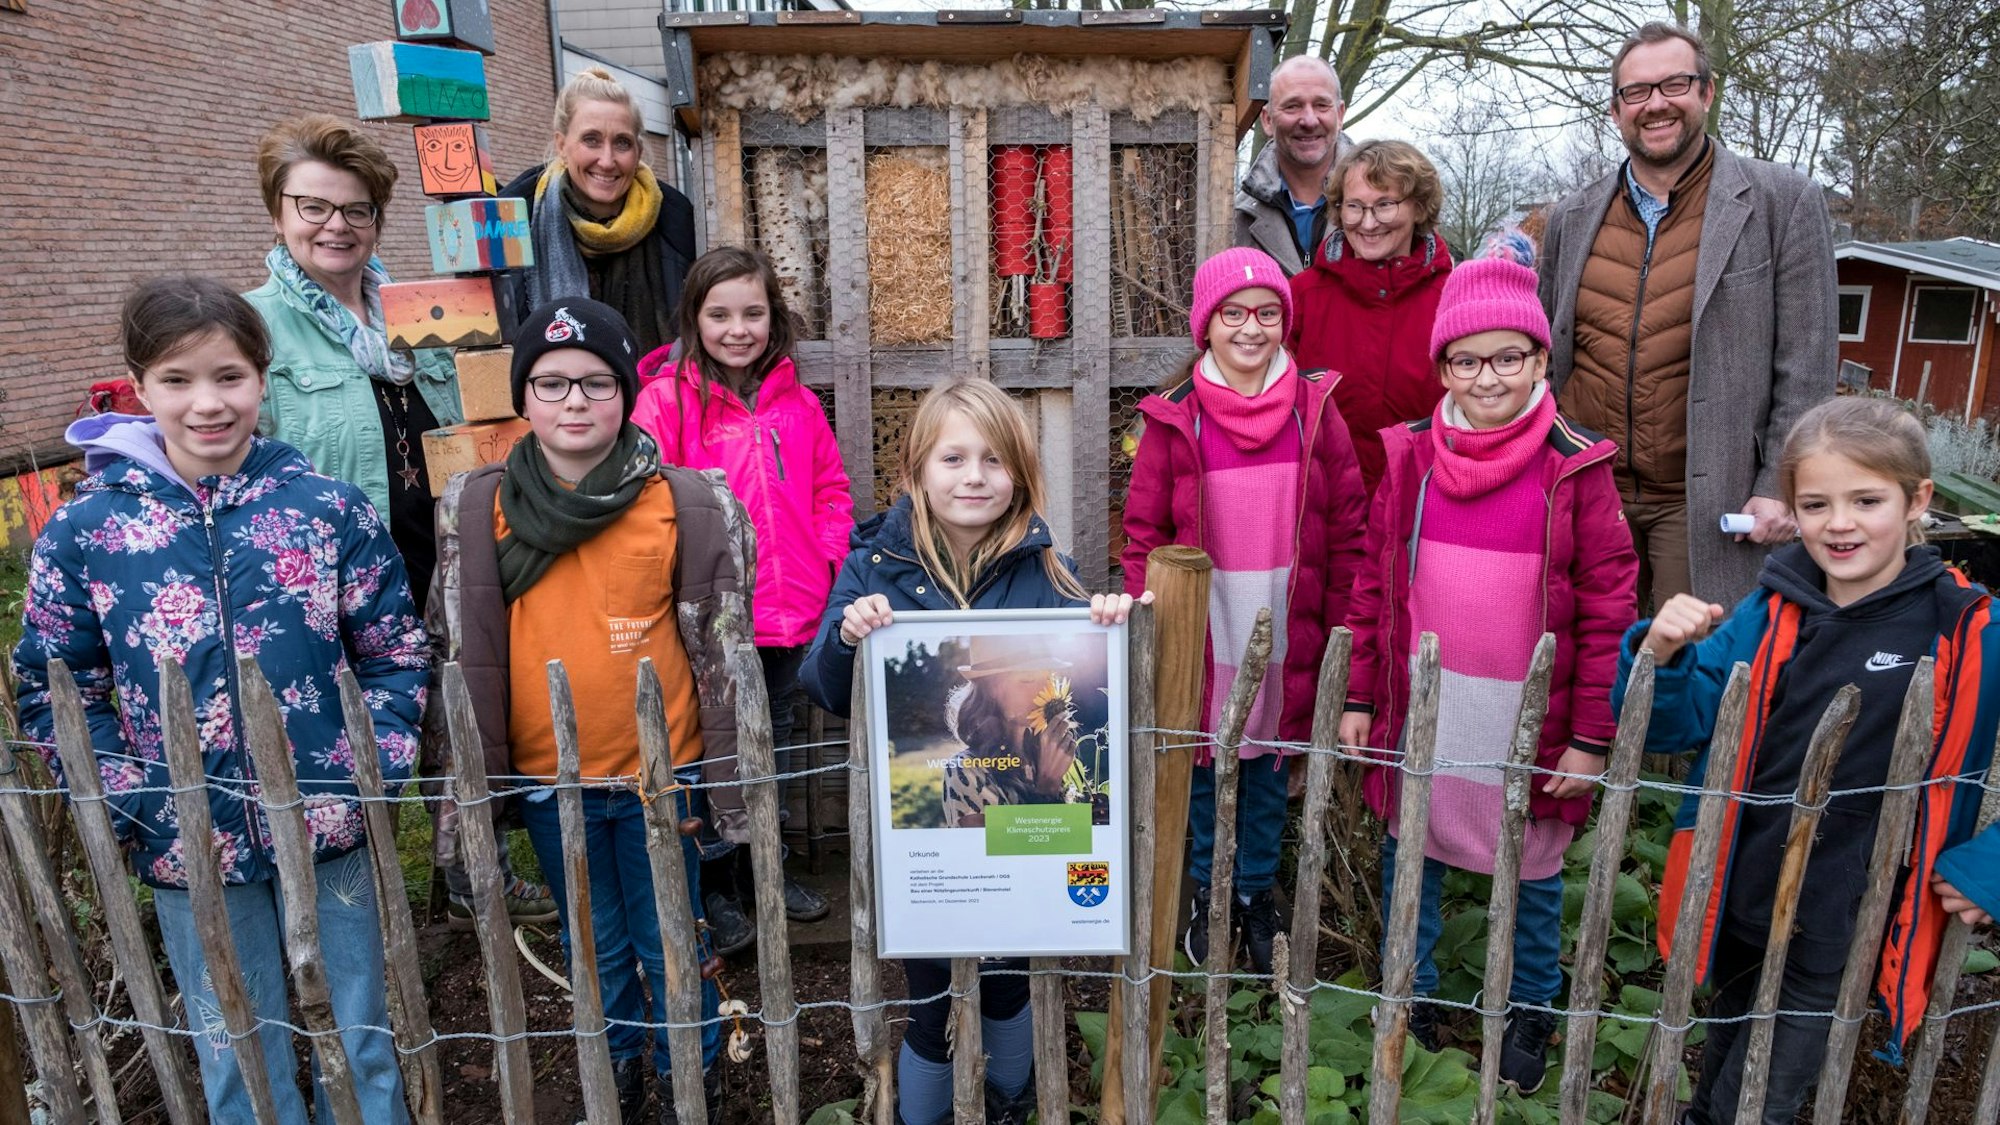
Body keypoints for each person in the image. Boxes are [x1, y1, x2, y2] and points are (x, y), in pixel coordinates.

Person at [15, 277, 427, 1123]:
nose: (208, 402)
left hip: (329, 823)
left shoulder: (326, 510)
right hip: (184, 838)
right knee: (236, 1041)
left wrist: (368, 766)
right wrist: (134, 801)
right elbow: (57, 684)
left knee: (360, 1034)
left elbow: (395, 653)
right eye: (177, 379)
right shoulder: (86, 532)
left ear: (262, 376)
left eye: (230, 376)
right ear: (140, 385)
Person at [1616, 395, 2000, 1124]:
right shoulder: (1771, 609)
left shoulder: (1966, 627)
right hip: (1741, 894)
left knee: (1749, 1106)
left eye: (1866, 499)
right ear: (1792, 508)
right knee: (1721, 1079)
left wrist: (1989, 868)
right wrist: (1659, 653)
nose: (1840, 522)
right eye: (1817, 502)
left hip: (1845, 918)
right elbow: (1679, 722)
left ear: (1917, 499)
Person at [430, 298, 748, 1123]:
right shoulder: (478, 507)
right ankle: (619, 1093)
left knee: (674, 943)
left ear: (626, 394)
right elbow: (463, 641)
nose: (576, 401)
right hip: (548, 781)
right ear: (524, 397)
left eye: (598, 383)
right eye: (553, 382)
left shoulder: (681, 502)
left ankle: (693, 1092)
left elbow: (718, 646)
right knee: (596, 951)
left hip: (660, 778)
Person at [1337, 234, 1639, 1091]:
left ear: (1541, 357)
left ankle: (1528, 1006)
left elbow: (1609, 605)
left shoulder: (1574, 466)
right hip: (1428, 711)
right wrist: (1360, 692)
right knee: (1415, 854)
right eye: (1466, 360)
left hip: (1526, 717)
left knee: (1533, 874)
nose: (1488, 377)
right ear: (1443, 369)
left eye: (1508, 356)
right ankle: (1417, 996)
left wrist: (1588, 734)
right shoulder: (1413, 457)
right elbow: (1374, 583)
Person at [798, 378, 1142, 1125]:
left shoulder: (1045, 569)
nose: (974, 476)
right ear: (916, 471)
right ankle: (926, 1115)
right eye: (953, 457)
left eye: (993, 459)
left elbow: (1089, 687)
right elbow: (823, 684)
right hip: (930, 849)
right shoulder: (873, 567)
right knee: (931, 1002)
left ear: (1018, 472)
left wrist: (1105, 621)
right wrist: (850, 634)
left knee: (1007, 982)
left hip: (1025, 831)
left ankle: (1011, 1101)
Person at [244, 115, 550, 930]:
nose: (335, 226)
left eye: (356, 210)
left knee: (459, 729)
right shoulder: (255, 330)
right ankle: (361, 903)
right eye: (312, 207)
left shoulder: (423, 313)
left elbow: (482, 417)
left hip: (441, 562)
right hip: (331, 582)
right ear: (277, 212)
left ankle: (463, 875)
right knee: (351, 740)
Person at [1121, 246, 1366, 975]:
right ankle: (1209, 888)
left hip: (1288, 620)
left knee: (1266, 771)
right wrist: (1152, 619)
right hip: (1207, 624)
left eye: (1266, 314)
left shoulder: (1315, 412)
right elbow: (1143, 534)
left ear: (1285, 324)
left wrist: (1342, 632)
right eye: (1234, 314)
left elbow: (1349, 523)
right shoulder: (1177, 420)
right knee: (1205, 764)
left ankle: (1255, 890)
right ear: (1207, 325)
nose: (1251, 328)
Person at [1537, 22, 1838, 610]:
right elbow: (1547, 355)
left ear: (1707, 91)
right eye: (1636, 92)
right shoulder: (1572, 215)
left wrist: (1779, 484)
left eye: (1674, 84)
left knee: (1694, 673)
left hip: (1705, 502)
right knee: (1591, 673)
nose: (1655, 104)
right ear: (1615, 108)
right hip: (1587, 489)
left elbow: (1807, 365)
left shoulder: (1783, 201)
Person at [631, 247, 852, 953]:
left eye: (752, 312)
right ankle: (716, 884)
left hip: (792, 610)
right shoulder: (665, 401)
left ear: (773, 317)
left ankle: (769, 866)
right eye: (719, 313)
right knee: (713, 749)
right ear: (694, 318)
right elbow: (646, 500)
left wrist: (825, 558)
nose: (737, 328)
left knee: (777, 738)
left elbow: (831, 492)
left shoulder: (799, 402)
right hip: (710, 616)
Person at [1289, 139, 1455, 495]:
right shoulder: (1303, 295)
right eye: (1354, 206)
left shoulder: (1454, 299)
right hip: (1324, 502)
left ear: (1419, 207)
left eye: (1384, 205)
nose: (1367, 223)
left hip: (1425, 501)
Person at [504, 66, 699, 357]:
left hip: (657, 397)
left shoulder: (679, 224)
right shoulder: (512, 222)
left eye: (622, 142)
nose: (607, 161)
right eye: (591, 140)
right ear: (562, 145)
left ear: (638, 153)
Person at [1233, 55, 1351, 275]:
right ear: (1267, 120)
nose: (1309, 120)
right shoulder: (1236, 221)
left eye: (1321, 105)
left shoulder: (1388, 208)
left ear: (1340, 114)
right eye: (1292, 107)